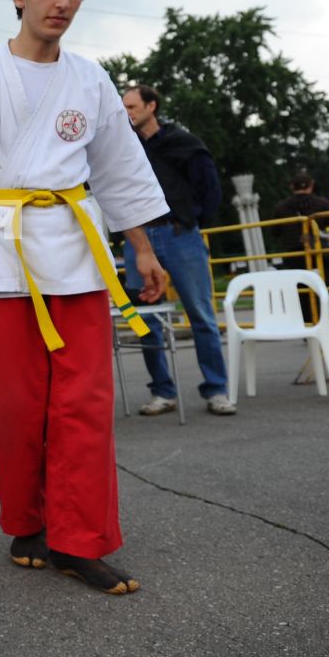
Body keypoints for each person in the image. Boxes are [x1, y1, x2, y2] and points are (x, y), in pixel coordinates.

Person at [0, 0, 169, 596]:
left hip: (77, 253)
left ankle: (80, 538)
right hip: (1, 253)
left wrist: (142, 248)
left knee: (85, 405)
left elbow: (121, 170)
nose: (63, 3)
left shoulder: (89, 78)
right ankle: (28, 522)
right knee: (13, 408)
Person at [118, 84, 234, 416]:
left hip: (180, 234)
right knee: (145, 320)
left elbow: (209, 187)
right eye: (123, 107)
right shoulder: (124, 147)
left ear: (151, 106)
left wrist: (191, 220)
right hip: (139, 238)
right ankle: (162, 392)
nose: (126, 113)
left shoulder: (183, 142)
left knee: (200, 314)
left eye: (131, 107)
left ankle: (217, 390)